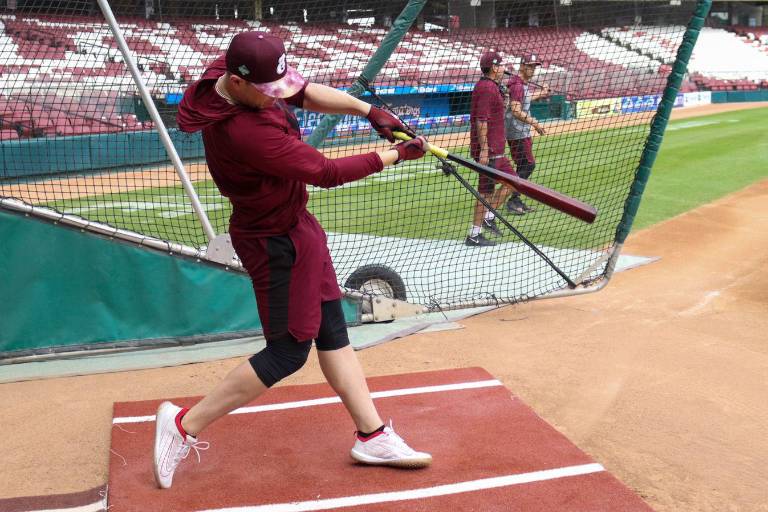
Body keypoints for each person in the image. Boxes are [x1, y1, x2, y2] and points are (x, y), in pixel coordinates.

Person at [153, 31, 432, 490]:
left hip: (298, 228)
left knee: (331, 330)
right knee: (287, 352)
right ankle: (182, 424)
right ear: (238, 83)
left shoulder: (233, 79)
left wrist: (369, 111)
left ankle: (373, 435)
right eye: (267, 91)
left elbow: (301, 91)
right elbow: (325, 172)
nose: (277, 98)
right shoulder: (246, 132)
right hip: (272, 242)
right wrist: (396, 154)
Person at [466, 51, 518, 247]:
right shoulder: (487, 88)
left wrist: (503, 103)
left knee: (513, 183)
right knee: (486, 192)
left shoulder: (490, 86)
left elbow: (493, 115)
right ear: (494, 68)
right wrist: (484, 150)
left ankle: (487, 217)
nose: (504, 68)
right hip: (491, 151)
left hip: (496, 149)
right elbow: (481, 120)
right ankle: (474, 234)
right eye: (501, 65)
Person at [504, 52, 550, 215]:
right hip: (517, 132)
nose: (533, 69)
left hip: (519, 131)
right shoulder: (517, 86)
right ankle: (511, 200)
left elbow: (525, 99)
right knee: (528, 165)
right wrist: (535, 123)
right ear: (522, 66)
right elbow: (516, 110)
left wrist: (542, 94)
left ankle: (515, 199)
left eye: (535, 66)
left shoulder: (520, 85)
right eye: (530, 66)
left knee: (524, 165)